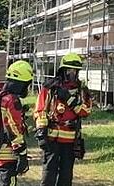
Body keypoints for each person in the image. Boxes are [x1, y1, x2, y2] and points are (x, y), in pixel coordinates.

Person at [35, 53, 92, 186]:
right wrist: (41, 131)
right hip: (51, 137)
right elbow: (40, 110)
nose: (72, 73)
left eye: (75, 70)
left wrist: (70, 100)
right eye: (69, 70)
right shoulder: (50, 87)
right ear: (63, 70)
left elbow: (86, 111)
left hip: (70, 139)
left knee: (66, 174)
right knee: (49, 171)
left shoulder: (82, 89)